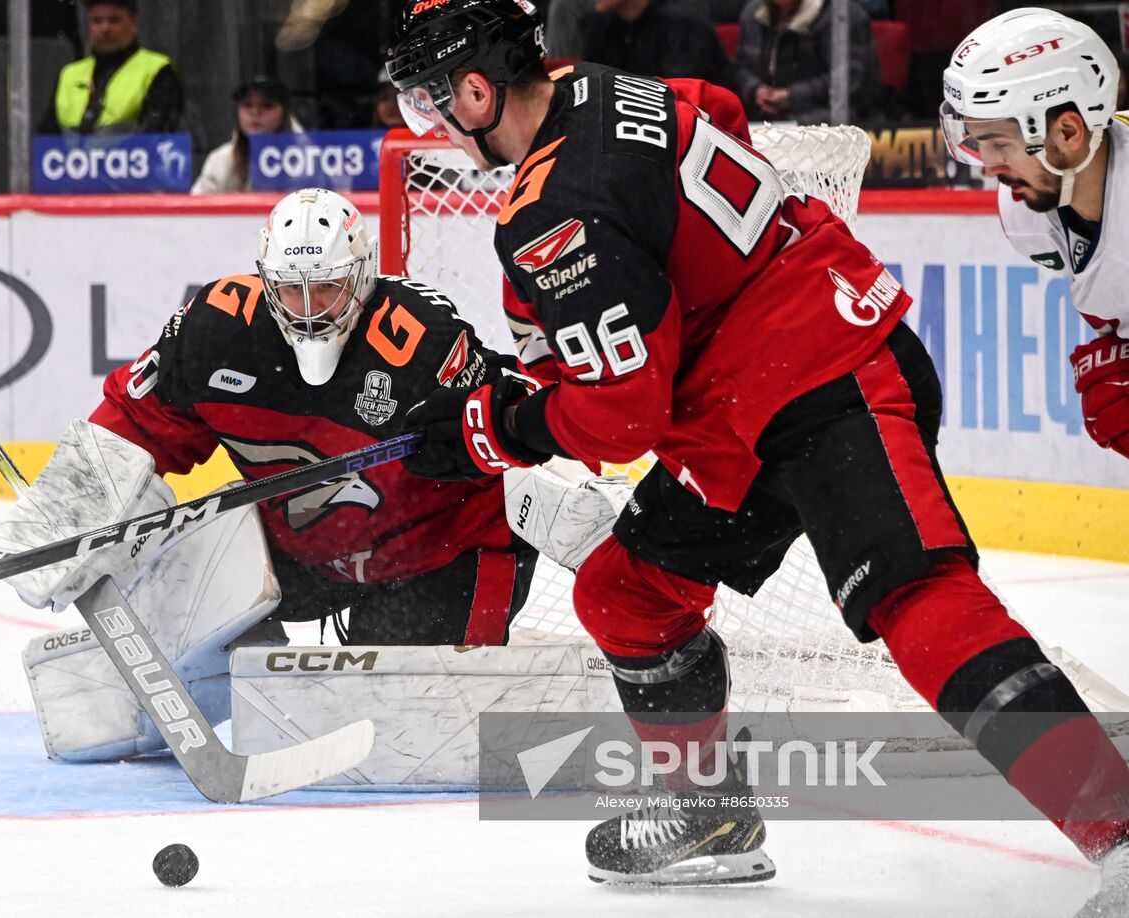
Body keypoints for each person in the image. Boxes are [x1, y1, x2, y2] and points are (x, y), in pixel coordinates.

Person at [385, 0, 1129, 907]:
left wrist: (494, 427)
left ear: (474, 89)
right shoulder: (604, 87)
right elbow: (719, 114)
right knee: (627, 590)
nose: (431, 129)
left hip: (828, 373)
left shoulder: (553, 207)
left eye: (429, 104)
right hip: (739, 407)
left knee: (917, 598)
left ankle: (1120, 826)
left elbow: (619, 420)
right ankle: (710, 816)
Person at [0, 188, 540, 762]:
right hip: (300, 549)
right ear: (267, 277)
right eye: (293, 287)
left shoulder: (421, 340)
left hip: (438, 556)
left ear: (362, 277)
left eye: (327, 285)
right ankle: (142, 706)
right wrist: (71, 514)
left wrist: (482, 432)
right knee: (187, 570)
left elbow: (516, 419)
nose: (310, 306)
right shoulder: (219, 328)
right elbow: (137, 417)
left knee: (404, 744)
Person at [942, 14, 1128, 464]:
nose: (987, 166)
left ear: (1068, 132)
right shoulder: (1026, 218)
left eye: (999, 144)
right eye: (975, 142)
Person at [38, 0, 185, 136]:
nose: (105, 28)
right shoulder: (69, 74)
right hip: (71, 162)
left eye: (114, 20)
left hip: (129, 162)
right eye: (97, 21)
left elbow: (159, 137)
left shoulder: (156, 70)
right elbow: (45, 139)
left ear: (134, 23)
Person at [733, 0, 880, 123]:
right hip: (764, 117)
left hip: (825, 117)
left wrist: (791, 96)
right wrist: (755, 90)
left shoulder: (843, 16)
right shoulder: (751, 13)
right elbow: (739, 69)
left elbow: (849, 81)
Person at [190, 75, 303, 194]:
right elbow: (197, 207)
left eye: (267, 105)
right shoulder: (220, 159)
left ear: (284, 114)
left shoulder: (308, 160)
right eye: (247, 105)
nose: (255, 112)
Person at [584, 0, 732, 88]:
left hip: (700, 128)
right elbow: (588, 83)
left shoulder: (683, 21)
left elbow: (677, 93)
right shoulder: (601, 23)